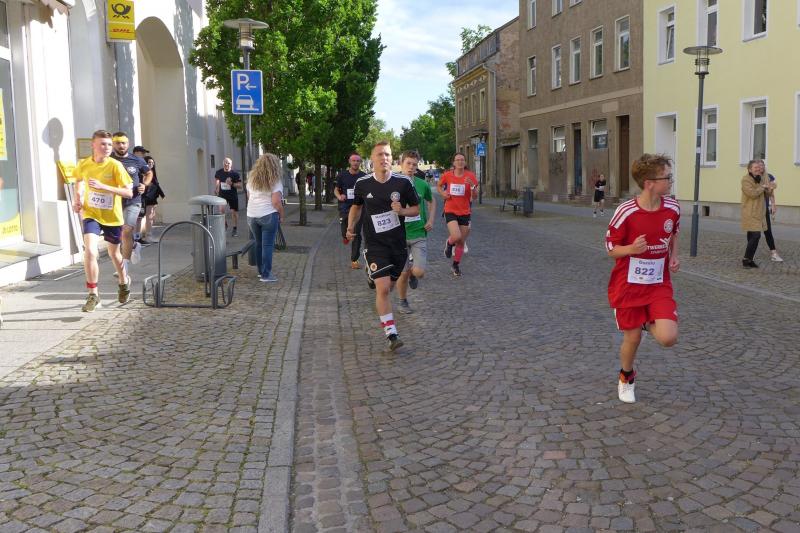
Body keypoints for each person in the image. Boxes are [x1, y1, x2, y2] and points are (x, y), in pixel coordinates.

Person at [606, 153, 680, 403]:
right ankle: (626, 377)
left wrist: (674, 256)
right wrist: (631, 249)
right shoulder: (626, 211)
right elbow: (610, 248)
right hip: (628, 285)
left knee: (668, 337)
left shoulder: (672, 207)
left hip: (659, 283)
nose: (670, 181)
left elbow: (674, 232)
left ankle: (648, 321)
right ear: (649, 183)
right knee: (633, 338)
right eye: (666, 177)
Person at [346, 141, 420, 351]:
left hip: (397, 245)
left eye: (387, 154)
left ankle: (372, 275)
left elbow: (416, 209)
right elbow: (356, 207)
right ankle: (391, 334)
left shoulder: (403, 183)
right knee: (384, 288)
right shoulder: (362, 183)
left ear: (392, 158)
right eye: (379, 154)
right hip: (375, 244)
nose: (384, 158)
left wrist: (402, 211)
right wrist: (350, 226)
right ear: (372, 159)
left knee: (391, 285)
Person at [72, 130, 134, 312]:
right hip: (91, 213)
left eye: (109, 144)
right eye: (103, 144)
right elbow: (79, 180)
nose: (107, 147)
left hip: (112, 217)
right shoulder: (83, 164)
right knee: (90, 251)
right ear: (93, 145)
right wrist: (78, 198)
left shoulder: (115, 165)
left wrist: (104, 187)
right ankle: (93, 294)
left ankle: (124, 282)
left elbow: (128, 192)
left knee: (114, 253)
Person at [396, 150, 435, 314]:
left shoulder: (422, 184)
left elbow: (432, 201)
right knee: (402, 273)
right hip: (399, 234)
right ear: (401, 164)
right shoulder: (393, 183)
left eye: (414, 164)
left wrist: (430, 220)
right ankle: (402, 302)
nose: (411, 167)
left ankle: (413, 274)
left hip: (419, 233)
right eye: (408, 163)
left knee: (419, 272)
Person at [111, 132, 152, 265]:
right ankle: (134, 246)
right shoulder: (108, 160)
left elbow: (149, 173)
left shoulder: (137, 160)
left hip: (133, 201)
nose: (121, 146)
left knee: (126, 230)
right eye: (118, 143)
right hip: (114, 202)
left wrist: (144, 184)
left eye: (123, 143)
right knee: (119, 233)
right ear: (113, 144)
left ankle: (125, 266)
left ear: (128, 144)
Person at [438, 153, 478, 277]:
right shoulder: (447, 175)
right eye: (457, 160)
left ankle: (455, 265)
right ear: (454, 163)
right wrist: (443, 194)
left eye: (462, 160)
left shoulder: (470, 176)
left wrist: (472, 186)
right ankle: (449, 243)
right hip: (450, 210)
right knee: (456, 236)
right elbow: (439, 186)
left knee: (461, 241)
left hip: (465, 212)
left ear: (465, 162)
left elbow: (475, 197)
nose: (460, 162)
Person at [247, 154, 285, 282]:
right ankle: (266, 275)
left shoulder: (251, 179)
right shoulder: (275, 181)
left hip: (252, 215)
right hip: (268, 214)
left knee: (259, 244)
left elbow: (249, 196)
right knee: (267, 245)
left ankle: (261, 271)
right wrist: (282, 215)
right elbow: (276, 202)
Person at [740, 159, 776, 268]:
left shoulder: (760, 179)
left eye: (758, 167)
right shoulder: (746, 180)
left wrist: (770, 188)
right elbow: (752, 194)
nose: (758, 169)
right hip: (750, 212)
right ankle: (746, 259)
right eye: (755, 168)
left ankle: (750, 260)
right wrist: (762, 187)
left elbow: (767, 194)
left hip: (760, 212)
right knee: (756, 235)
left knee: (753, 236)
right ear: (750, 169)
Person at [335, 152, 367, 269]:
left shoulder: (364, 176)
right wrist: (339, 196)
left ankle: (354, 259)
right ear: (349, 161)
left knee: (356, 233)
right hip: (345, 206)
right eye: (353, 160)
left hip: (358, 207)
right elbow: (336, 190)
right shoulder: (342, 175)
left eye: (358, 161)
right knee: (345, 231)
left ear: (360, 162)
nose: (355, 163)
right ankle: (345, 236)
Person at [758, 162, 783, 262]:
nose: (761, 167)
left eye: (762, 165)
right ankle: (749, 255)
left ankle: (774, 253)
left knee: (768, 231)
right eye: (758, 165)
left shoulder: (769, 177)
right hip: (754, 209)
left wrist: (773, 205)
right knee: (753, 233)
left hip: (764, 208)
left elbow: (771, 193)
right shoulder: (753, 178)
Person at [139, 155, 165, 243]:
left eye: (152, 163)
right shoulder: (144, 173)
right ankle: (147, 236)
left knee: (152, 217)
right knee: (148, 217)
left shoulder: (152, 173)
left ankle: (147, 235)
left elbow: (156, 185)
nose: (151, 164)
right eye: (149, 162)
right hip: (146, 197)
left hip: (153, 197)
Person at [215, 157, 243, 237]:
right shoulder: (219, 172)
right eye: (225, 162)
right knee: (221, 210)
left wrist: (232, 184)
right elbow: (217, 181)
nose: (226, 164)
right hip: (222, 195)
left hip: (232, 195)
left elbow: (240, 186)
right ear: (223, 163)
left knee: (234, 212)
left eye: (228, 163)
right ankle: (225, 224)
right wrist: (216, 188)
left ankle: (235, 228)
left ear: (231, 164)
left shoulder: (235, 174)